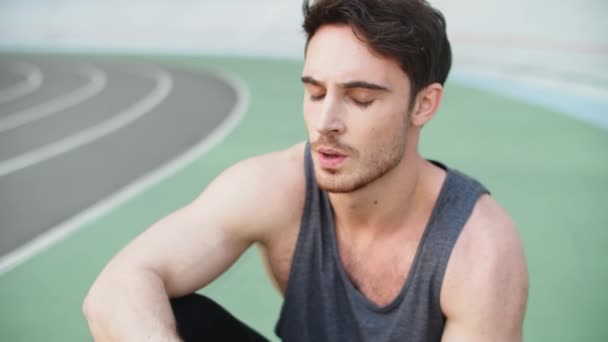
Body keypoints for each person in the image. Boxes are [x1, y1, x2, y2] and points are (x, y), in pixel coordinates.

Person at [83, 0, 529, 341]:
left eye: (360, 99)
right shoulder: (274, 187)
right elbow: (114, 290)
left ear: (423, 104)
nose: (325, 123)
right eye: (316, 93)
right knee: (169, 314)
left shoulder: (480, 250)